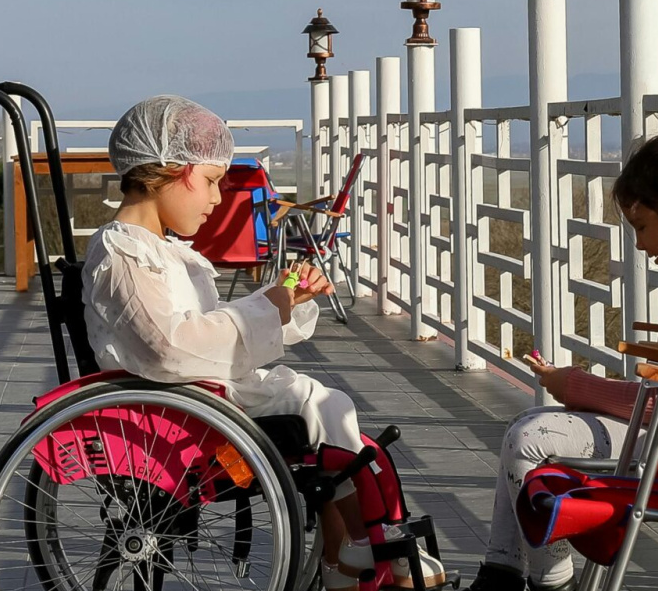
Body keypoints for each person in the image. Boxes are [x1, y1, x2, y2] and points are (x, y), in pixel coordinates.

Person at [82, 95, 443, 591]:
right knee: (321, 412)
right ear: (173, 169)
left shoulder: (157, 250)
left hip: (196, 398)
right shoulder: (124, 251)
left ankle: (349, 555)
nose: (215, 199)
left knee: (335, 429)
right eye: (210, 181)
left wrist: (283, 301)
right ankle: (363, 544)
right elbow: (169, 348)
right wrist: (271, 303)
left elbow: (197, 331)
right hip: (180, 414)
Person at [466, 131, 658, 591]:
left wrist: (573, 385)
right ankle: (503, 573)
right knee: (531, 426)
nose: (639, 245)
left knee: (529, 436)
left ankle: (545, 579)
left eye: (642, 226)